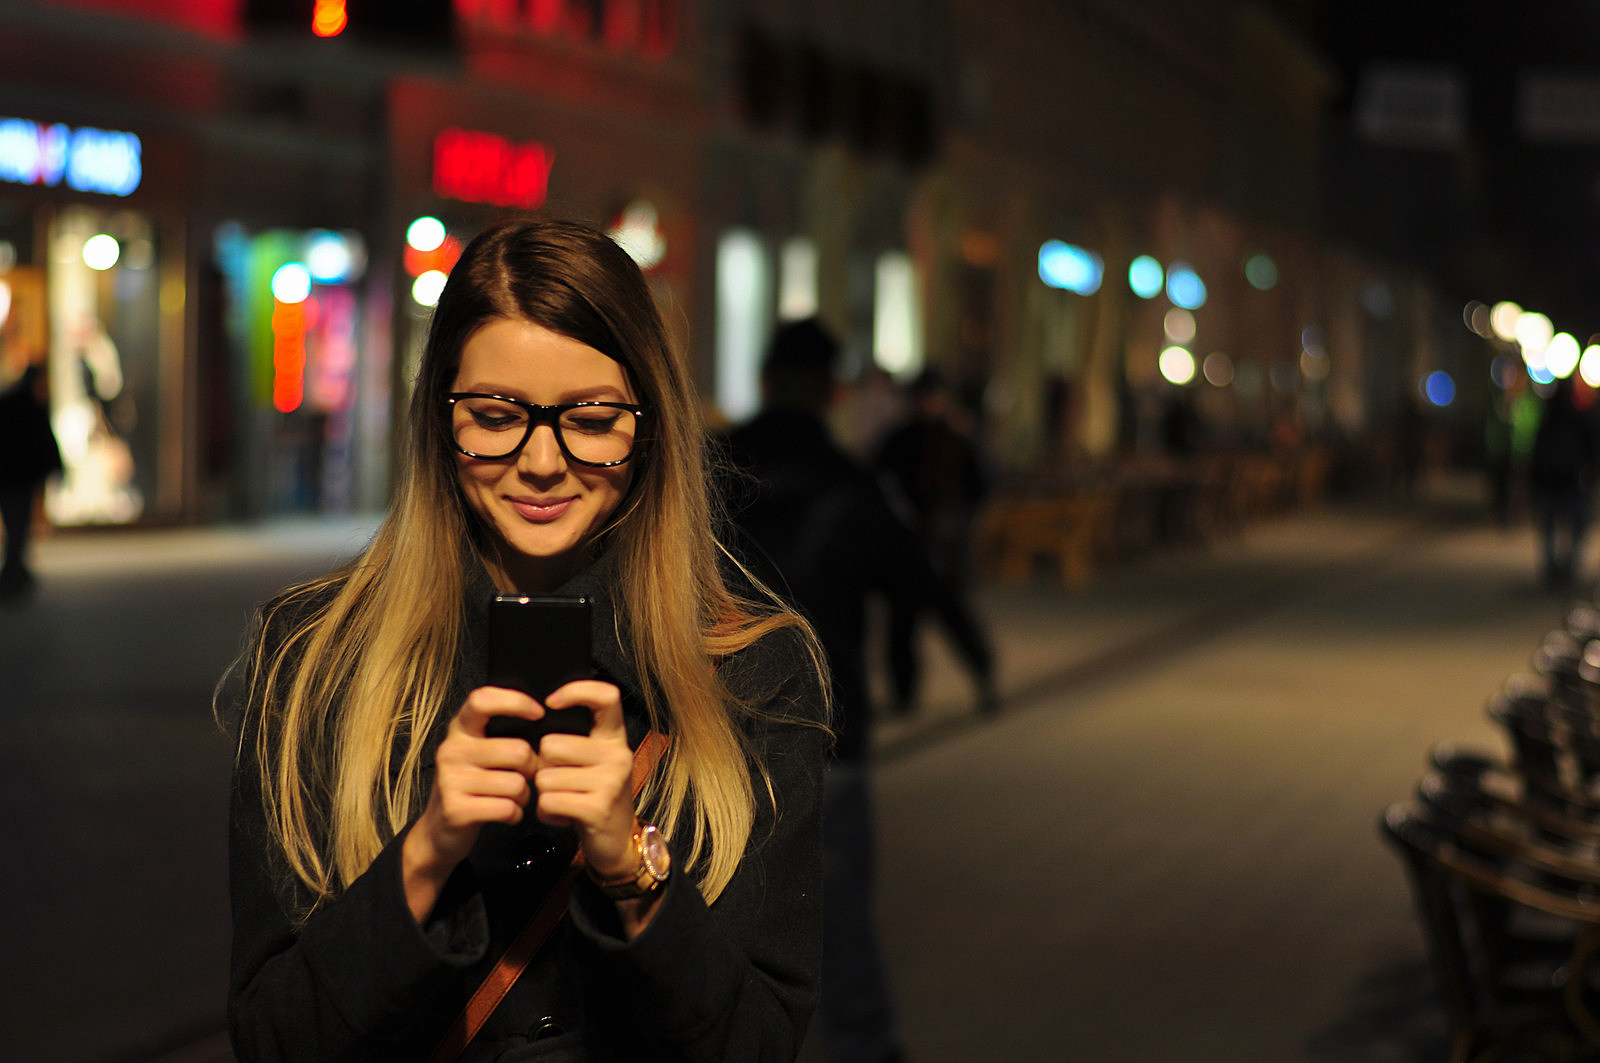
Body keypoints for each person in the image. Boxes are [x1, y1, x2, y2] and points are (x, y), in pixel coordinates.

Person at [218, 219, 830, 1063]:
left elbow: (758, 1044)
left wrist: (631, 867)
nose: (542, 461)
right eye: (498, 414)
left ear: (648, 425)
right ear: (440, 419)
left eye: (591, 417)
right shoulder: (315, 659)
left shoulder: (751, 671)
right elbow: (274, 1040)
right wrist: (428, 853)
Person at [725, 319, 967, 1063]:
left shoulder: (709, 469)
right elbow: (918, 582)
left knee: (712, 911)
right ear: (831, 392)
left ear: (765, 379)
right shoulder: (851, 482)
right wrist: (975, 659)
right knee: (837, 917)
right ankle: (860, 1043)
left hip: (715, 728)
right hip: (828, 734)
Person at [873, 367, 996, 717]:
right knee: (902, 627)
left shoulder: (958, 438)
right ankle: (904, 696)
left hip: (946, 545)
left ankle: (985, 679)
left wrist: (959, 522)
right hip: (909, 544)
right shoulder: (901, 438)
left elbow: (981, 483)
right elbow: (879, 479)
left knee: (956, 619)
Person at [0, 364, 64, 601]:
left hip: (9, 478)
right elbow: (45, 441)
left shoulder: (10, 405)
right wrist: (56, 468)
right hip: (19, 478)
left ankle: (14, 571)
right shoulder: (31, 408)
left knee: (14, 525)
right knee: (18, 526)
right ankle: (13, 572)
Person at [1529, 376, 1598, 590]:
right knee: (1577, 524)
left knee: (1550, 526)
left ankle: (1553, 568)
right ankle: (1567, 567)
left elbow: (1535, 454)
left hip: (1550, 483)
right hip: (1571, 483)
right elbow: (1592, 450)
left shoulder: (1547, 421)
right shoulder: (1579, 419)